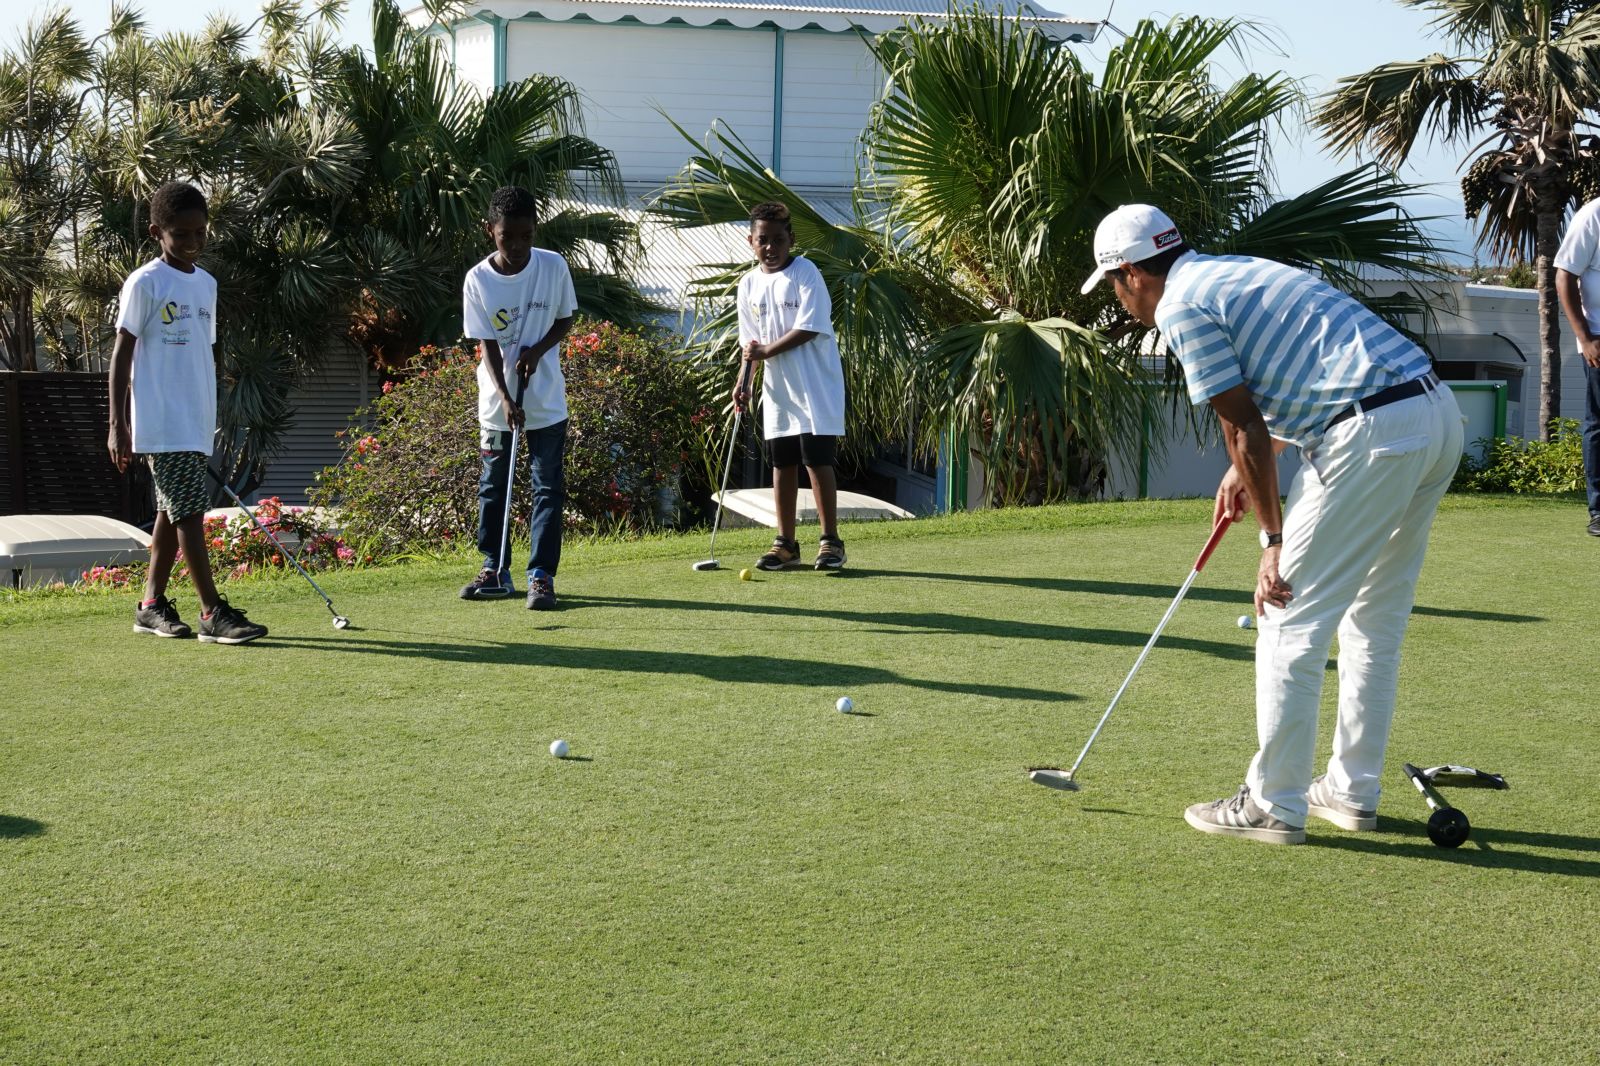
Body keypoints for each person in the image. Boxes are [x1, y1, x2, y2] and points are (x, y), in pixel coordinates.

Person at [1080, 204, 1464, 845]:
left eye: (1115, 287)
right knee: (1373, 620)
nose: (1121, 302)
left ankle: (1272, 804)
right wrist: (1260, 461)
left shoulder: (1178, 307)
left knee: (1286, 613)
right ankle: (1350, 790)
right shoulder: (1231, 272)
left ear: (1131, 274)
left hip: (1369, 435)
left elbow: (1242, 427)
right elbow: (1310, 377)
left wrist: (1273, 541)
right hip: (1433, 415)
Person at [106, 181, 268, 645]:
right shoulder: (146, 281)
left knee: (170, 512)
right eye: (182, 234)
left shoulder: (207, 284)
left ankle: (150, 605)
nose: (193, 242)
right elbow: (122, 354)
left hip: (196, 419)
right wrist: (118, 425)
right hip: (162, 420)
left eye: (201, 232)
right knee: (190, 512)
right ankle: (212, 613)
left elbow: (206, 352)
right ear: (158, 232)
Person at [459, 185, 576, 609]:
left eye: (527, 235)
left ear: (534, 230)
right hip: (496, 404)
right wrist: (506, 397)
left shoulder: (553, 266)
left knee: (547, 489)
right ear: (491, 230)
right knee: (493, 487)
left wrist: (537, 351)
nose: (519, 246)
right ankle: (495, 567)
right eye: (509, 236)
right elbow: (486, 344)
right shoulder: (478, 279)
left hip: (546, 401)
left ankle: (541, 575)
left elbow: (565, 319)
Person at [734, 201, 849, 571]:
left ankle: (831, 541)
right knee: (782, 462)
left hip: (815, 385)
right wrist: (744, 382)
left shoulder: (805, 273)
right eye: (763, 240)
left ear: (791, 240)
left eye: (779, 240)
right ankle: (785, 543)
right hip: (779, 390)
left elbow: (809, 327)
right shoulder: (748, 284)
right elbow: (750, 345)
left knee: (817, 459)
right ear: (751, 240)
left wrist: (766, 350)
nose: (771, 247)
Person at [1551, 200, 1600, 538]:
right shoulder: (1594, 214)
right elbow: (1564, 275)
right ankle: (1599, 510)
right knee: (1599, 425)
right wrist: (1584, 337)